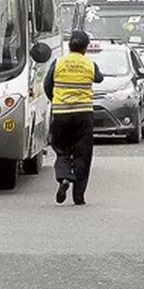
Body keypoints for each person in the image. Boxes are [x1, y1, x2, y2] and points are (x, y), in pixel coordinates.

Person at [44, 30, 103, 205]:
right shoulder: (89, 64)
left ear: (69, 46)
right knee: (82, 154)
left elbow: (47, 84)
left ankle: (63, 177)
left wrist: (55, 101)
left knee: (62, 149)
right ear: (86, 48)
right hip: (83, 115)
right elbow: (99, 78)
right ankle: (79, 196)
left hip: (61, 114)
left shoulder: (58, 62)